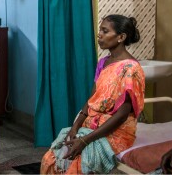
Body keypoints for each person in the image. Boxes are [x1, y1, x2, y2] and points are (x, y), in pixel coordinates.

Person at [40, 15, 146, 174]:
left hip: (117, 131)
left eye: (105, 31)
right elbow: (92, 100)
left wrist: (84, 141)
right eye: (100, 30)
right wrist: (75, 127)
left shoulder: (131, 69)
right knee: (52, 157)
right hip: (92, 125)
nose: (99, 34)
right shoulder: (103, 62)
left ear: (121, 37)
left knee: (75, 165)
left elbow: (122, 115)